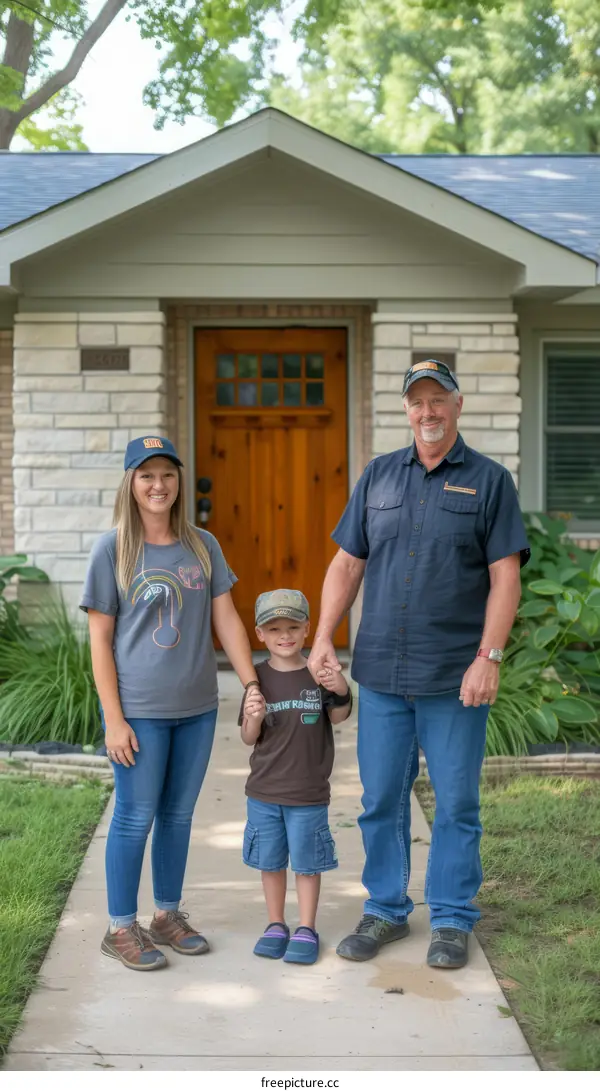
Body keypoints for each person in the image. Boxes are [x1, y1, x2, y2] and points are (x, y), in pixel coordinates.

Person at [308, 359, 529, 970]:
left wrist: (489, 657)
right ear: (406, 410)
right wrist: (324, 637)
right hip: (380, 674)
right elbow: (347, 564)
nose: (427, 412)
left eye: (438, 400)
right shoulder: (379, 476)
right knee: (380, 798)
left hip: (454, 678)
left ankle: (453, 919)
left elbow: (504, 577)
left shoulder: (489, 481)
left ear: (457, 406)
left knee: (456, 802)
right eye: (417, 402)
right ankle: (385, 909)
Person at [80, 435, 265, 971]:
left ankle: (166, 915)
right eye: (146, 475)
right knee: (135, 817)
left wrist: (252, 683)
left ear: (179, 482)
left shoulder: (202, 545)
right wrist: (114, 719)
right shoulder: (112, 550)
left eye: (167, 474)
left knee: (178, 816)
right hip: (138, 710)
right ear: (130, 484)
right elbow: (99, 641)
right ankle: (120, 928)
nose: (158, 485)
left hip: (197, 707)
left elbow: (225, 617)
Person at [240, 589, 352, 965]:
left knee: (307, 863)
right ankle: (276, 924)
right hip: (264, 791)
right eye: (274, 629)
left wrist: (340, 689)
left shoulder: (317, 674)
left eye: (292, 627)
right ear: (260, 634)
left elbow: (338, 717)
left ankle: (306, 927)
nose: (284, 635)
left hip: (308, 792)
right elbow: (248, 737)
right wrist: (253, 717)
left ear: (307, 629)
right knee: (270, 863)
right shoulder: (255, 679)